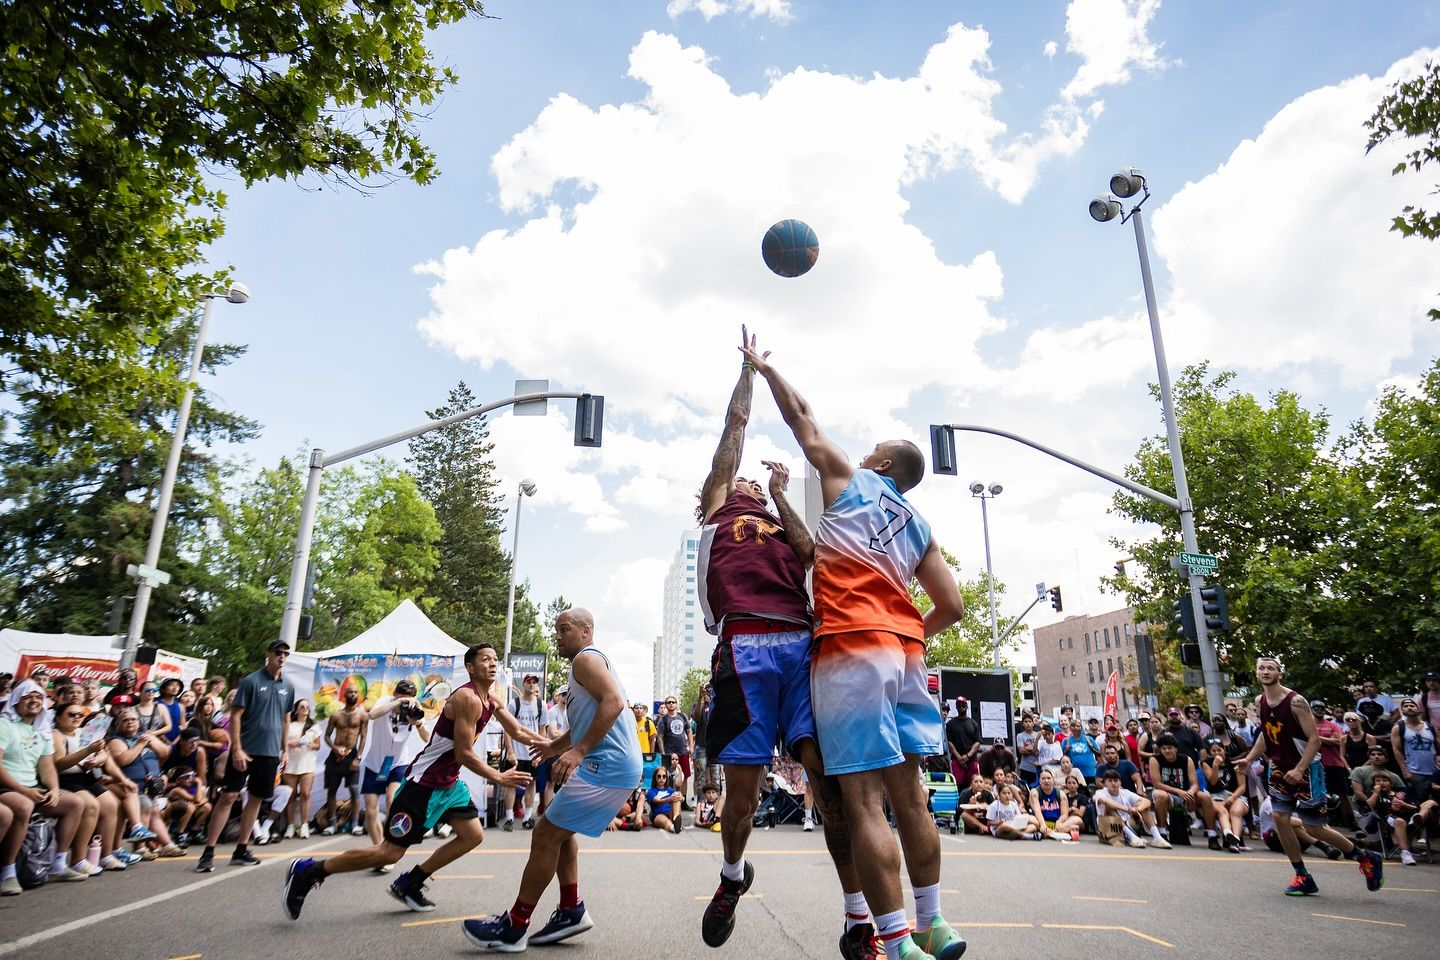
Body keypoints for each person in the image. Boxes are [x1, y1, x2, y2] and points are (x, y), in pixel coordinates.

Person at [740, 335, 967, 960]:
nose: (862, 454)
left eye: (872, 451)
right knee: (911, 796)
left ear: (884, 465)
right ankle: (934, 923)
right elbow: (952, 606)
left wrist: (766, 369)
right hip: (906, 652)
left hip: (849, 647)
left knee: (864, 801)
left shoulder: (854, 482)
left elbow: (803, 419)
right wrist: (907, 632)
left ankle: (896, 942)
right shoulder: (919, 526)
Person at [689, 331, 874, 959]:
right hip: (742, 648)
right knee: (741, 799)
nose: (745, 478)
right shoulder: (718, 506)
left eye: (750, 480)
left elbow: (810, 554)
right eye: (740, 478)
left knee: (829, 784)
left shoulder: (774, 516)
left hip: (799, 645)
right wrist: (750, 371)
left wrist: (779, 496)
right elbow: (735, 426)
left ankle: (857, 918)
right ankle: (732, 877)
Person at [284, 641, 536, 918]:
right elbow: (463, 754)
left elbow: (519, 731)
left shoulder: (492, 699)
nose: (492, 663)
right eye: (485, 659)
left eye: (495, 659)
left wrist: (556, 746)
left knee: (472, 835)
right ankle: (309, 870)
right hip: (423, 784)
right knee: (388, 854)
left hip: (449, 785)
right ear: (470, 667)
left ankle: (410, 883)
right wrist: (498, 776)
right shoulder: (467, 698)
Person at [461, 608, 643, 950]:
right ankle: (571, 910)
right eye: (556, 629)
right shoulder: (587, 665)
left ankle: (514, 926)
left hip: (609, 763)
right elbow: (588, 720)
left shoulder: (585, 660)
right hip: (614, 763)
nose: (557, 635)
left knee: (545, 835)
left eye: (564, 629)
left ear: (586, 631)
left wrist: (579, 751)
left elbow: (614, 703)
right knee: (560, 830)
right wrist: (553, 747)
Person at [1238, 655, 1383, 896]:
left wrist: (1299, 769)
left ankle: (1365, 856)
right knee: (1279, 817)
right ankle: (1302, 875)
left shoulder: (1296, 702)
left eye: (1271, 668)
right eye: (1261, 668)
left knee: (1314, 827)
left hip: (1306, 769)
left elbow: (1314, 740)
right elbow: (1266, 733)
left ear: (1280, 673)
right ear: (1256, 673)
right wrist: (1250, 758)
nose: (1265, 671)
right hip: (1279, 768)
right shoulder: (1260, 700)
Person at [195, 639, 296, 872]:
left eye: (285, 653)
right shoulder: (251, 681)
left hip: (270, 752)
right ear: (268, 653)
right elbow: (236, 716)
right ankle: (208, 852)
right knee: (229, 796)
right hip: (245, 750)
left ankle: (241, 849)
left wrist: (285, 750)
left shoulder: (288, 686)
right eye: (278, 652)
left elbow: (286, 719)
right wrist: (237, 748)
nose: (282, 656)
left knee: (256, 799)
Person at [0, 680, 89, 892]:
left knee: (75, 803)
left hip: (32, 787)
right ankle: (7, 872)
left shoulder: (42, 730)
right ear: (16, 700)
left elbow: (47, 767)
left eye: (38, 697)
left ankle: (58, 864)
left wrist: (54, 790)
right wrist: (24, 791)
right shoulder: (5, 725)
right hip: (7, 787)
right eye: (28, 696)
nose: (34, 701)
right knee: (23, 806)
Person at [52, 699, 123, 871]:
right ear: (58, 718)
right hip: (66, 780)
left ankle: (105, 855)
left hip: (87, 777)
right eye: (71, 714)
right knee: (91, 806)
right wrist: (88, 751)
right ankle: (78, 859)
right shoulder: (56, 735)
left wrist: (97, 760)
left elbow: (103, 754)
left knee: (111, 805)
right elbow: (59, 764)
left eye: (80, 714)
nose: (76, 717)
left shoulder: (84, 731)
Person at [361, 679, 430, 856]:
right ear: (395, 694)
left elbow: (426, 738)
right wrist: (397, 703)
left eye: (410, 697)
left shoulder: (415, 708)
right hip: (375, 763)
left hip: (398, 762)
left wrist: (419, 723)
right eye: (402, 697)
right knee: (371, 811)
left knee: (392, 800)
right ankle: (379, 849)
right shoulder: (386, 702)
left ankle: (391, 845)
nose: (407, 701)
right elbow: (372, 715)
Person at [106, 705, 183, 857]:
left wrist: (151, 742)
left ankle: (168, 845)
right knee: (146, 807)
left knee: (154, 812)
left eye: (133, 719)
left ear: (139, 722)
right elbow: (122, 760)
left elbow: (165, 752)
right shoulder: (116, 740)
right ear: (118, 724)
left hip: (151, 785)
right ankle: (140, 848)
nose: (130, 722)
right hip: (131, 786)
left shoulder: (145, 736)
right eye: (125, 720)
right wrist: (140, 745)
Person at [1350, 748, 1420, 865]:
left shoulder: (1394, 777)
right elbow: (1358, 793)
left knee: (1422, 808)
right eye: (1373, 754)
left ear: (1386, 758)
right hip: (1365, 809)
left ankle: (1407, 844)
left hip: (1395, 810)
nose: (1376, 756)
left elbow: (1404, 794)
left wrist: (1400, 802)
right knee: (1380, 844)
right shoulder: (1359, 771)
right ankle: (1359, 842)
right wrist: (1375, 798)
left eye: (1380, 754)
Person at [1147, 733, 1211, 847]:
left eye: (1170, 748)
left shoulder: (1187, 759)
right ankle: (1162, 833)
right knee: (1160, 795)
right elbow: (1157, 784)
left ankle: (1212, 835)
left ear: (1176, 748)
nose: (1167, 751)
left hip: (1185, 795)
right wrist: (1178, 791)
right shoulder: (1155, 759)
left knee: (1205, 797)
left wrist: (1191, 792)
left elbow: (1195, 784)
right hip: (1167, 796)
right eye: (1164, 748)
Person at [321, 683, 367, 836]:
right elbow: (327, 736)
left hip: (352, 756)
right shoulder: (336, 715)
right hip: (335, 757)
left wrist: (358, 758)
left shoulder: (362, 715)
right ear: (344, 695)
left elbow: (363, 737)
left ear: (358, 696)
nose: (353, 694)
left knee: (354, 790)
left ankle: (354, 824)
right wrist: (335, 748)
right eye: (350, 692)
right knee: (331, 791)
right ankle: (333, 824)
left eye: (355, 692)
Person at [502, 674, 545, 831]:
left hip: (532, 753)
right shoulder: (514, 704)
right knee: (511, 783)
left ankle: (527, 818)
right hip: (517, 752)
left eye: (534, 682)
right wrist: (510, 751)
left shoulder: (541, 705)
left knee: (531, 783)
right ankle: (509, 818)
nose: (532, 685)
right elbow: (507, 729)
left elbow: (542, 730)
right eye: (529, 682)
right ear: (523, 684)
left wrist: (541, 751)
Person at [1092, 768, 1163, 848]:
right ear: (1105, 783)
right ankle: (1131, 837)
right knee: (1109, 807)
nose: (1113, 783)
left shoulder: (1126, 792)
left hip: (1129, 824)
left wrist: (1137, 809)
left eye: (1115, 780)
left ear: (1120, 782)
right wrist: (1127, 809)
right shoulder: (1100, 793)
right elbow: (1105, 801)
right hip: (1109, 827)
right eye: (1110, 781)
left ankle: (1157, 837)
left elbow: (1147, 802)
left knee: (1143, 806)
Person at [282, 700, 321, 839]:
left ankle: (304, 825)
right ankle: (290, 825)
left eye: (307, 707)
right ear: (296, 710)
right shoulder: (289, 724)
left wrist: (309, 744)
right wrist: (290, 743)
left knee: (305, 794)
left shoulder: (313, 726)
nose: (305, 708)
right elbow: (282, 742)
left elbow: (318, 745)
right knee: (291, 795)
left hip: (307, 764)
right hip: (291, 764)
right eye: (302, 706)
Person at [1201, 741, 1249, 852]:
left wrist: (1232, 798)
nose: (1217, 753)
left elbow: (1242, 787)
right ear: (1210, 752)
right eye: (1213, 751)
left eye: (1219, 750)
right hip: (1216, 796)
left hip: (1236, 796)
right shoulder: (1206, 763)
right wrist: (1215, 766)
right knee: (1222, 811)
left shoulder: (1235, 763)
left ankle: (1235, 841)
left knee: (1235, 812)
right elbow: (1213, 782)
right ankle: (1228, 833)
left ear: (1225, 750)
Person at [1391, 697, 1437, 805]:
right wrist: (1404, 771)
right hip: (1415, 772)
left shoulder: (1429, 726)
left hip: (1434, 771)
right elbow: (1396, 749)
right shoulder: (1399, 728)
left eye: (1412, 705)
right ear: (1403, 710)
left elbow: (1437, 746)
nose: (1409, 708)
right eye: (1406, 706)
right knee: (1420, 802)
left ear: (1418, 708)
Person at [655, 695, 694, 805]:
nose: (671, 704)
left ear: (676, 704)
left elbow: (689, 731)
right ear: (666, 705)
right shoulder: (663, 720)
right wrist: (663, 753)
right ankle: (669, 801)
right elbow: (660, 737)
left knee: (685, 776)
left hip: (683, 751)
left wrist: (691, 747)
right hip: (669, 753)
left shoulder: (682, 716)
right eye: (669, 702)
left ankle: (683, 801)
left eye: (673, 702)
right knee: (668, 777)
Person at [1029, 768, 1080, 840]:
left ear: (1053, 780)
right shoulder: (1035, 792)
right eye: (1043, 779)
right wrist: (1043, 824)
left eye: (1048, 778)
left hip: (1056, 824)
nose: (1046, 781)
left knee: (1077, 820)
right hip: (1040, 822)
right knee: (1029, 819)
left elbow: (1064, 814)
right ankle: (1051, 832)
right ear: (1039, 781)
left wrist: (1059, 822)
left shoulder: (1061, 794)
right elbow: (1037, 811)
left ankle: (1052, 832)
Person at [945, 699, 981, 790]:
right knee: (955, 786)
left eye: (963, 704)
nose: (961, 706)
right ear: (956, 707)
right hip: (956, 761)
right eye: (959, 704)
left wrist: (968, 756)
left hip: (971, 760)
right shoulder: (950, 724)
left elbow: (977, 742)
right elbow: (949, 741)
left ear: (967, 706)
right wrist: (959, 757)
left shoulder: (974, 724)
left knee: (974, 786)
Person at [645, 765, 683, 833]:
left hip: (671, 813)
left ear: (666, 778)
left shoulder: (671, 790)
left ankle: (676, 819)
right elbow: (657, 800)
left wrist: (681, 796)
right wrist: (669, 799)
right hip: (658, 815)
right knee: (665, 821)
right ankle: (673, 827)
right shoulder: (651, 791)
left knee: (677, 796)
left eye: (664, 776)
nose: (661, 778)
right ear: (655, 777)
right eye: (659, 776)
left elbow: (680, 798)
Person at [1062, 719, 1098, 783]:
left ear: (1081, 728)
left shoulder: (1089, 739)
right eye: (1073, 726)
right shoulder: (1066, 741)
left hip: (1090, 772)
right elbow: (1062, 757)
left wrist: (1092, 747)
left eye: (1078, 726)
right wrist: (1067, 750)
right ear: (1070, 728)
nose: (1076, 728)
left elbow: (1099, 754)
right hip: (1074, 774)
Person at [157, 678, 185, 743]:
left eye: (177, 685)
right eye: (171, 685)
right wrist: (166, 741)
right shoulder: (156, 704)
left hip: (175, 741)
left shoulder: (181, 706)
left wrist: (174, 743)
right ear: (163, 689)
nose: (175, 688)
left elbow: (183, 726)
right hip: (158, 741)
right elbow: (154, 727)